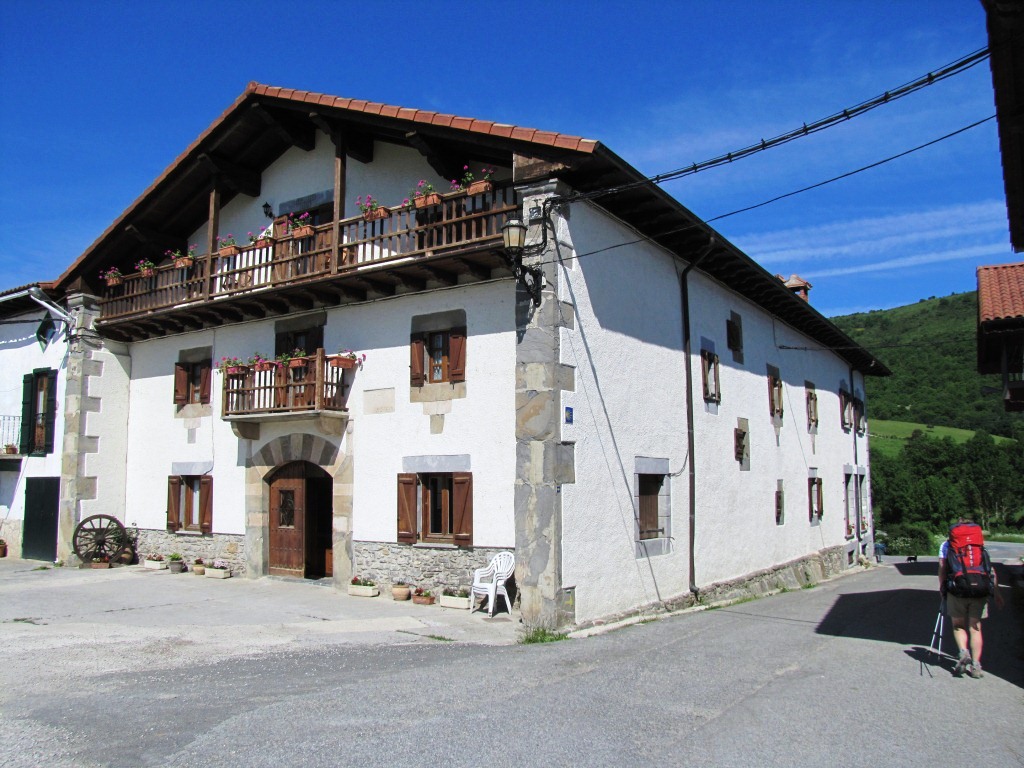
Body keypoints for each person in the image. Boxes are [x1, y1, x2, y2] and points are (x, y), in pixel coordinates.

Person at [938, 521, 1003, 678]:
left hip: (957, 589)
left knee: (958, 625)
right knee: (975, 628)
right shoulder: (979, 545)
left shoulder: (946, 546)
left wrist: (942, 587)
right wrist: (997, 592)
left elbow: (942, 567)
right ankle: (976, 666)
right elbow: (989, 568)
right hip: (979, 589)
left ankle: (963, 652)